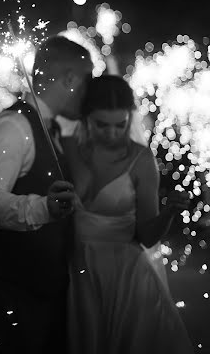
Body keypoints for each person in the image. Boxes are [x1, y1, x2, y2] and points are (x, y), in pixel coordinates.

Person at [0, 35, 93, 354]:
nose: (91, 90)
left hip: (41, 290)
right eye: (88, 79)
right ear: (69, 79)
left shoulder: (51, 129)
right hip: (8, 292)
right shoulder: (13, 126)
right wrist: (43, 208)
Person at [62, 74, 194, 353]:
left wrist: (169, 211)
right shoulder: (68, 147)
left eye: (119, 125)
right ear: (86, 117)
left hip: (125, 276)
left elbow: (146, 237)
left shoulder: (141, 159)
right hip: (75, 271)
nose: (111, 134)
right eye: (101, 125)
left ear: (130, 119)